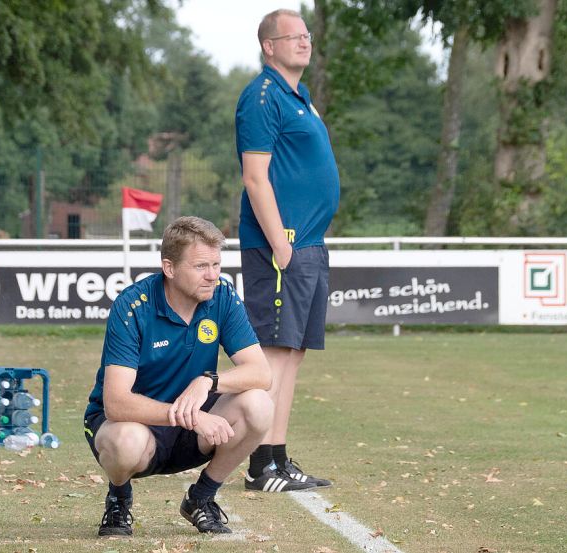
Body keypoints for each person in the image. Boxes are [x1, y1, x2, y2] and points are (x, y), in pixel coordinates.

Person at [84, 216, 274, 536]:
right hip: (137, 427)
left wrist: (208, 382)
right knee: (125, 442)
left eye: (216, 264)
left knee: (259, 405)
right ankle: (119, 498)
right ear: (169, 268)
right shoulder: (133, 305)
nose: (212, 275)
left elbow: (261, 373)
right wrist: (189, 417)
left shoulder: (222, 296)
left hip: (190, 431)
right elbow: (116, 404)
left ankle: (201, 498)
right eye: (201, 266)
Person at [234, 9, 340, 492]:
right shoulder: (261, 97)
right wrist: (280, 242)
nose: (303, 42)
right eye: (291, 36)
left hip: (311, 246)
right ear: (268, 46)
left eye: (307, 35)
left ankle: (277, 454)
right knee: (273, 350)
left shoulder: (301, 97)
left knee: (292, 352)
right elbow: (255, 177)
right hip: (284, 247)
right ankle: (260, 461)